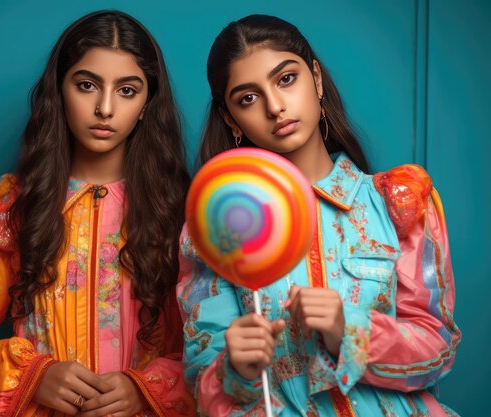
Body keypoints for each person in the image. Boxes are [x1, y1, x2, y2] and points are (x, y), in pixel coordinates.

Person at [177, 14, 460, 416]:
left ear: (316, 79)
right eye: (248, 98)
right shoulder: (213, 229)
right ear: (230, 119)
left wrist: (350, 329)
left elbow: (438, 352)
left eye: (286, 79)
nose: (275, 107)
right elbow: (200, 384)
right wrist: (233, 368)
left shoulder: (398, 204)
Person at [0, 10, 195, 417]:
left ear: (146, 105)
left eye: (127, 90)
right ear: (59, 89)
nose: (104, 108)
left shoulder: (183, 212)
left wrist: (148, 389)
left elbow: (217, 344)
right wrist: (33, 377)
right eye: (87, 85)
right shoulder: (10, 207)